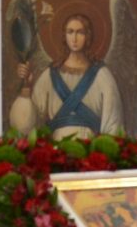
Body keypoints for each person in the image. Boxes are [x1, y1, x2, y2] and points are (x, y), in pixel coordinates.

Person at [16, 12, 124, 142]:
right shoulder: (50, 75)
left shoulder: (102, 76)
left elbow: (113, 123)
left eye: (80, 32)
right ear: (65, 36)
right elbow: (31, 124)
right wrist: (26, 87)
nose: (74, 38)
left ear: (87, 36)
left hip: (90, 148)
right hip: (57, 148)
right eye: (70, 32)